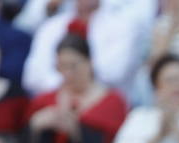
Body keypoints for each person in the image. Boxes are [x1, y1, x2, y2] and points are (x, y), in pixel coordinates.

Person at [22, 0, 153, 98]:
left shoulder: (124, 27)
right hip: (55, 101)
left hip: (101, 105)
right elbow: (32, 76)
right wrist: (67, 88)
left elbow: (113, 73)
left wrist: (69, 84)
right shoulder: (51, 26)